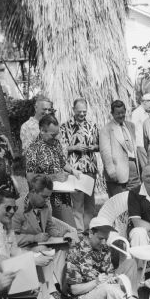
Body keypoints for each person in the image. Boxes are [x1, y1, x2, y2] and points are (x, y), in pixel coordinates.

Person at [65, 216, 150, 299]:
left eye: (106, 239)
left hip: (103, 284)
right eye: (100, 238)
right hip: (83, 297)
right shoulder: (75, 252)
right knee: (108, 289)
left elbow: (110, 272)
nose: (104, 242)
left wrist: (111, 278)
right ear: (91, 233)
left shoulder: (104, 248)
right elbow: (74, 290)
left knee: (131, 263)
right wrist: (96, 282)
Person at [11, 175, 73, 299]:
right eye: (44, 197)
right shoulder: (17, 208)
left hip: (41, 243)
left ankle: (63, 289)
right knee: (43, 251)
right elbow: (11, 239)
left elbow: (49, 225)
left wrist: (61, 234)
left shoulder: (45, 206)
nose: (47, 200)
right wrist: (34, 237)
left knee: (63, 248)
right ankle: (47, 293)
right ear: (32, 192)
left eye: (48, 197)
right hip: (24, 248)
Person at [25, 114, 80, 227]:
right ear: (42, 130)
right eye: (52, 134)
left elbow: (62, 162)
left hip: (62, 197)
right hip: (45, 200)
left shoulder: (56, 144)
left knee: (70, 230)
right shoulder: (33, 149)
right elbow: (30, 177)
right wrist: (53, 177)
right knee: (52, 234)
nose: (55, 137)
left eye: (57, 133)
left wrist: (73, 171)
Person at [59, 98, 99, 233]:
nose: (82, 114)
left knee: (90, 203)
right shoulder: (65, 127)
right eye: (79, 112)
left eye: (84, 112)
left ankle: (89, 229)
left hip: (90, 169)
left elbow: (100, 145)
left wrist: (93, 146)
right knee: (77, 203)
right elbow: (61, 148)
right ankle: (80, 232)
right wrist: (74, 147)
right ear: (73, 110)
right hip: (75, 170)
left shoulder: (92, 125)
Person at [100, 100, 141, 196]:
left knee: (135, 201)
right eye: (118, 113)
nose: (121, 115)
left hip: (133, 170)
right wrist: (111, 172)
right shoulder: (106, 129)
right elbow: (105, 152)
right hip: (117, 172)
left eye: (122, 112)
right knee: (119, 204)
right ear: (112, 113)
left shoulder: (131, 126)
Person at [132, 93, 150, 167]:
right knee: (145, 166)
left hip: (147, 144)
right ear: (144, 102)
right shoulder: (136, 113)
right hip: (140, 144)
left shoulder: (147, 113)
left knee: (148, 165)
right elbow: (132, 128)